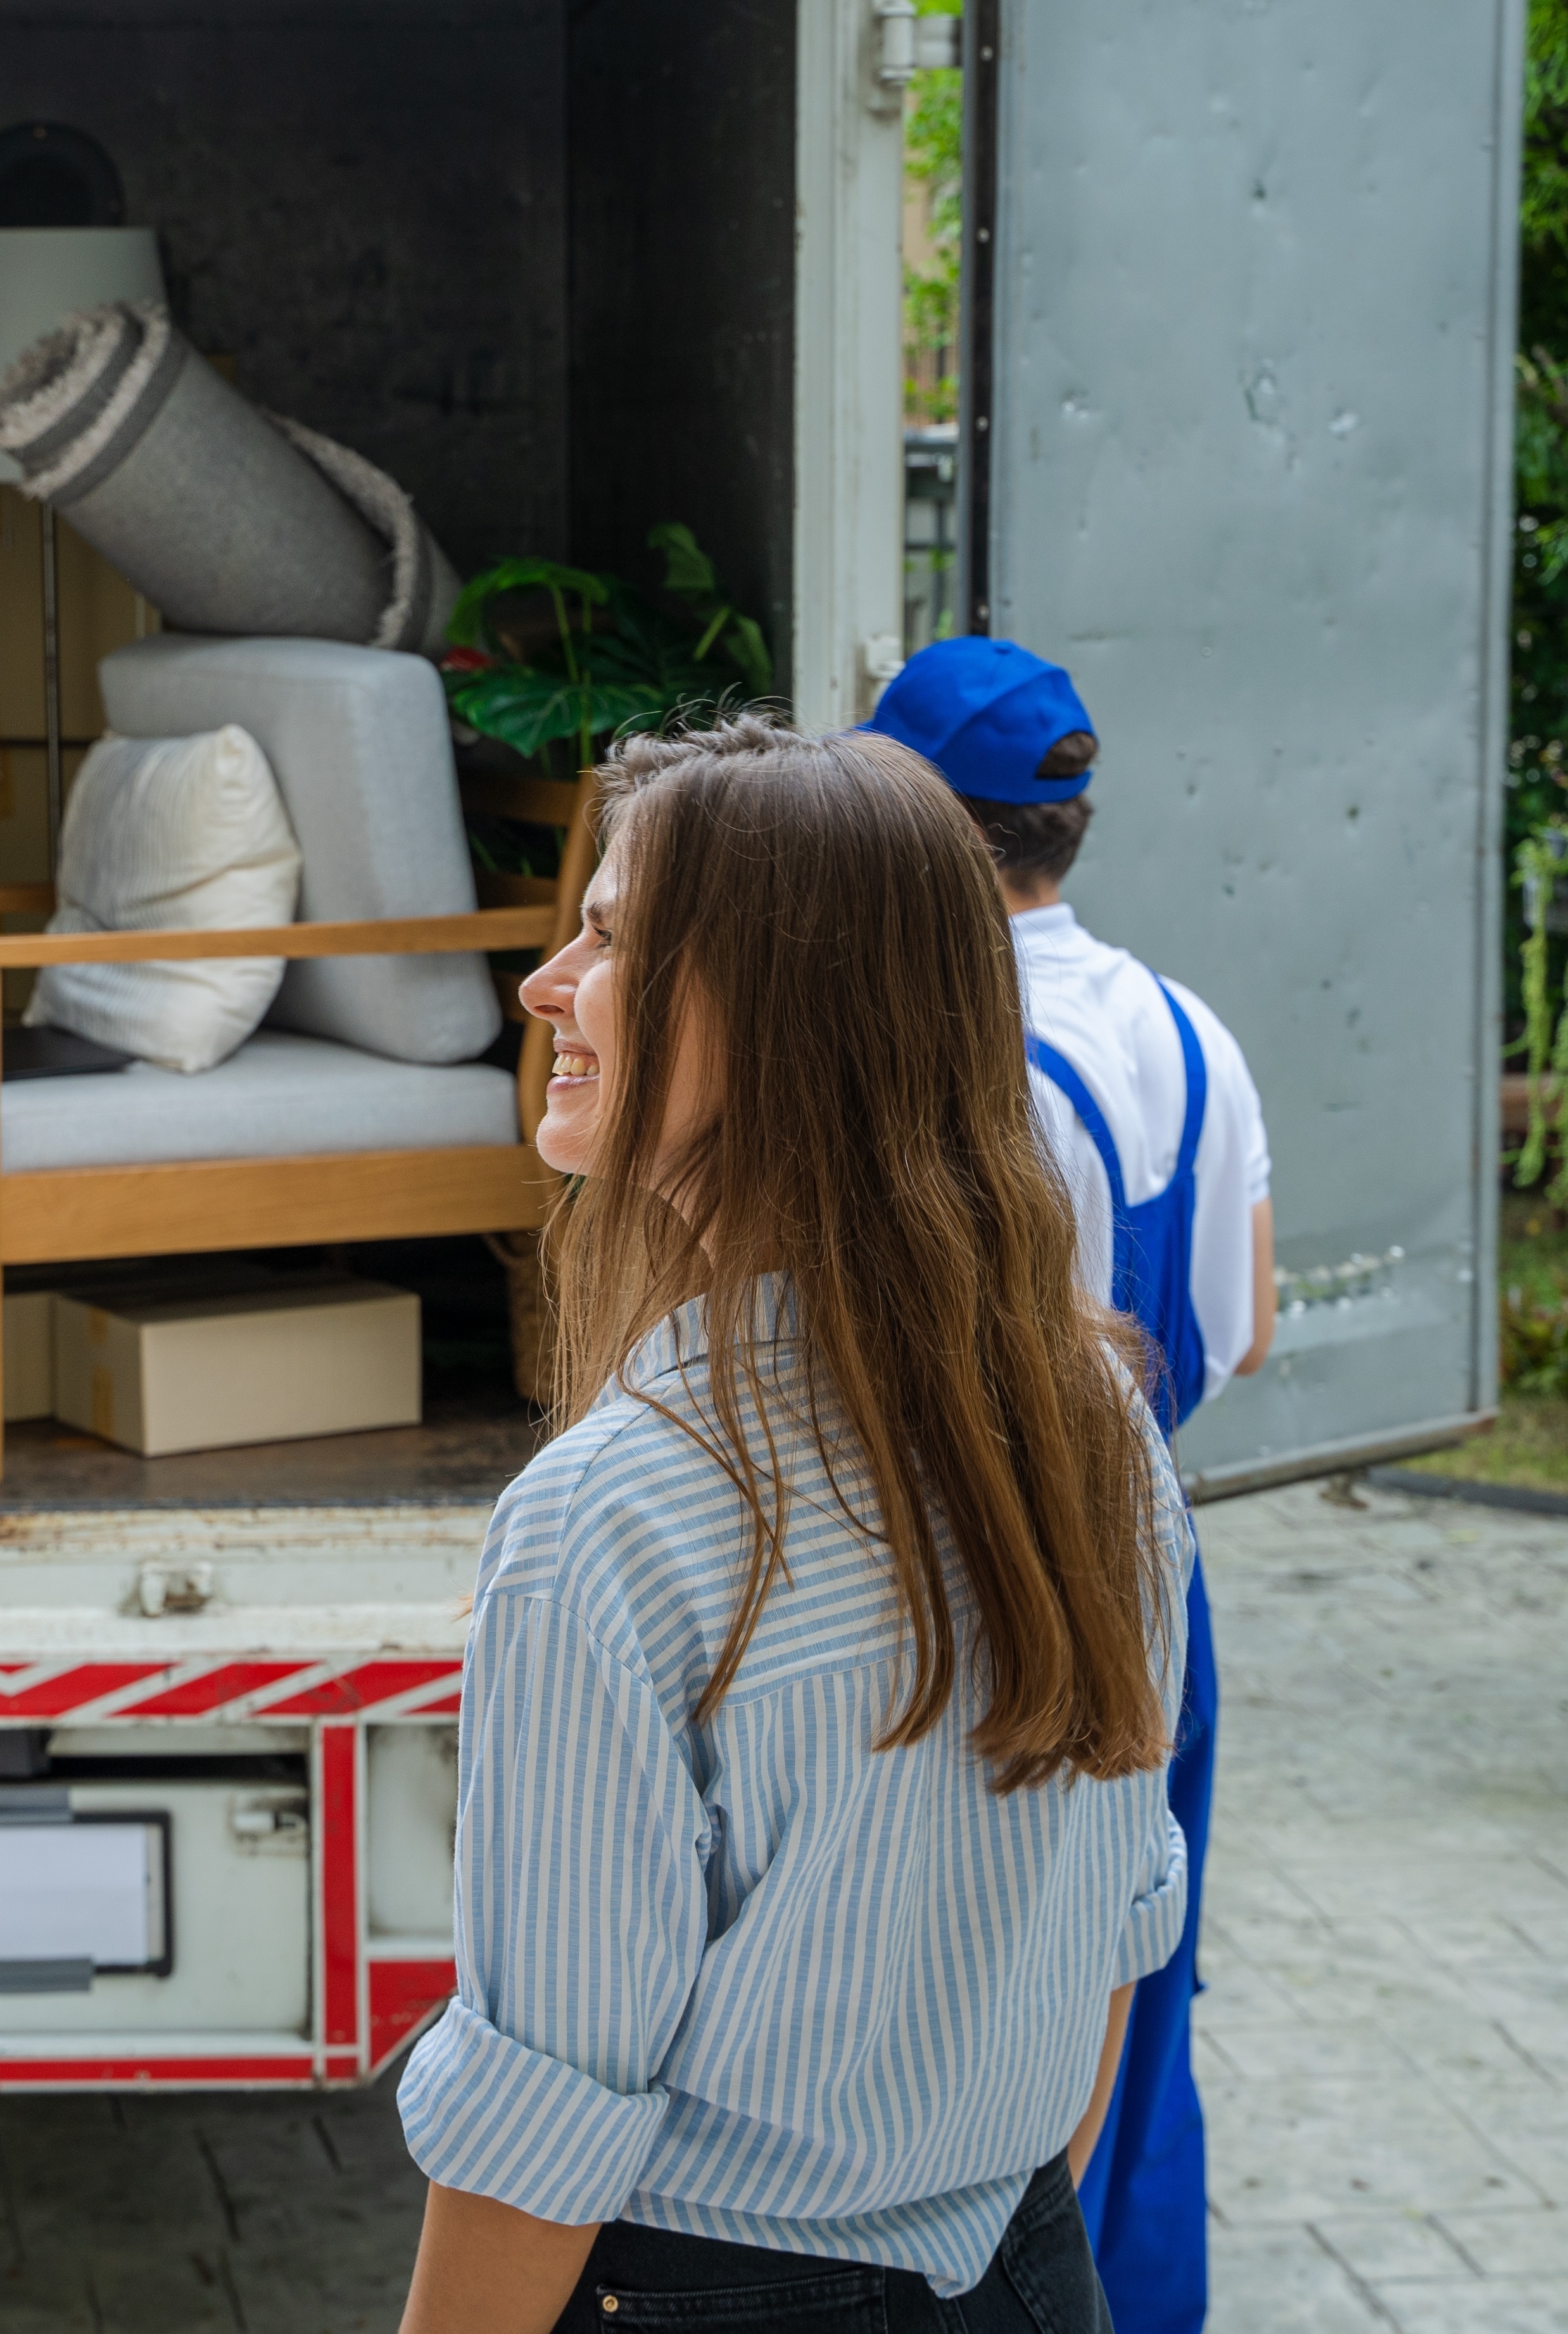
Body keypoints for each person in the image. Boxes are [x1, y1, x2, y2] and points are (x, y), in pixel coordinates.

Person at [395, 716, 1190, 2334]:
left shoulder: (611, 1517)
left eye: (611, 938)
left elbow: (541, 2113)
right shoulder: (1095, 1419)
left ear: (774, 1013)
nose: (546, 983)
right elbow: (1115, 1924)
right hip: (1026, 2270)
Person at [867, 635, 1276, 2334]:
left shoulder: (935, 1055)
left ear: (923, 831)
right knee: (1141, 1993)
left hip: (982, 1575)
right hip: (1152, 1564)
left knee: (970, 2040)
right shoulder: (1196, 1033)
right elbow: (1244, 1330)